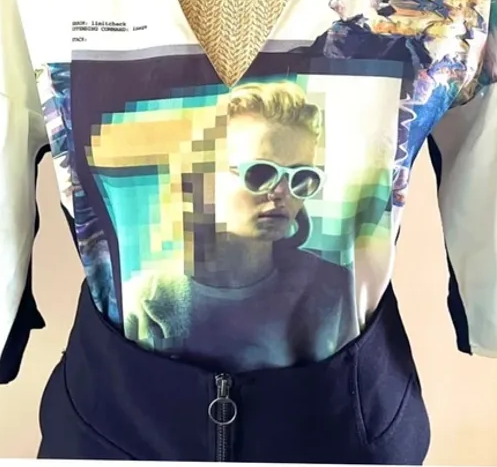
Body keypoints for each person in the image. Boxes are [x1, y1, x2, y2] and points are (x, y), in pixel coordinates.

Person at [122, 80, 359, 372]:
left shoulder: (333, 293)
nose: (282, 192)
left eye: (301, 177)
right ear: (199, 179)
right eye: (260, 172)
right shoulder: (145, 302)